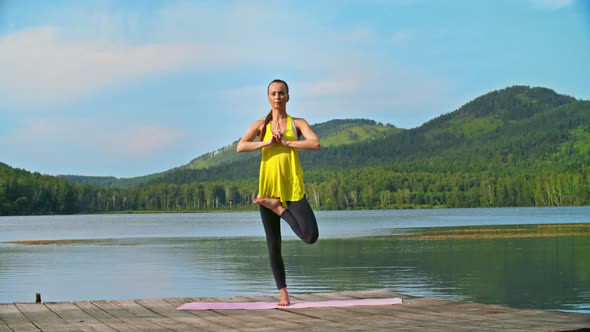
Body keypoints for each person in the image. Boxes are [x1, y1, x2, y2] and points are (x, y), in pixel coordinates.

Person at [236, 79, 320, 306]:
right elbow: (241, 146)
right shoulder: (260, 126)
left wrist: (287, 143)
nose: (277, 97)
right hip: (269, 190)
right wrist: (266, 144)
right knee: (274, 243)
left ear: (288, 97)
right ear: (268, 98)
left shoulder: (297, 123)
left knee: (310, 235)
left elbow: (315, 143)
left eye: (281, 93)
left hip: (292, 190)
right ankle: (283, 293)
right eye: (273, 93)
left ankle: (279, 209)